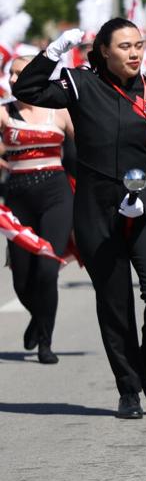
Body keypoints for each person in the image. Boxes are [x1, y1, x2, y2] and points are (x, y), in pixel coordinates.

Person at [14, 19, 146, 419]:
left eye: (139, 45)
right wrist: (53, 51)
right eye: (124, 46)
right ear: (104, 51)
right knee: (114, 303)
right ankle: (128, 390)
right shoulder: (81, 85)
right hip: (96, 211)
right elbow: (27, 90)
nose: (135, 53)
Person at [1, 56, 75, 364]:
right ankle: (38, 316)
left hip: (56, 195)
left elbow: (90, 146)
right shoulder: (4, 112)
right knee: (21, 279)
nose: (16, 80)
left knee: (47, 269)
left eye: (23, 74)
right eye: (12, 74)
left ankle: (46, 342)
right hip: (17, 198)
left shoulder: (60, 111)